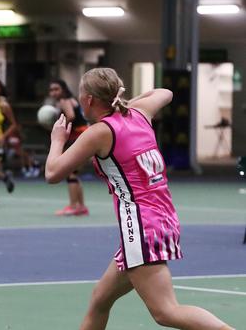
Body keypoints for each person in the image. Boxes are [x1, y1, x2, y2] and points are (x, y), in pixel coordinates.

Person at [45, 68, 233, 330]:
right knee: (100, 299)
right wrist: (124, 104)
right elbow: (164, 92)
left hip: (141, 226)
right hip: (162, 219)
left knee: (165, 312)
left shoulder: (99, 132)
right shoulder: (139, 113)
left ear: (88, 100)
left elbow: (53, 173)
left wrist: (57, 140)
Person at [49, 79, 89, 216]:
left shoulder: (64, 101)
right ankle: (81, 206)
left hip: (79, 136)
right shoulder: (68, 100)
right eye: (51, 90)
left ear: (63, 90)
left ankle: (73, 206)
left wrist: (58, 126)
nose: (53, 92)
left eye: (56, 89)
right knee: (74, 173)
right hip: (81, 136)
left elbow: (70, 116)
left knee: (70, 173)